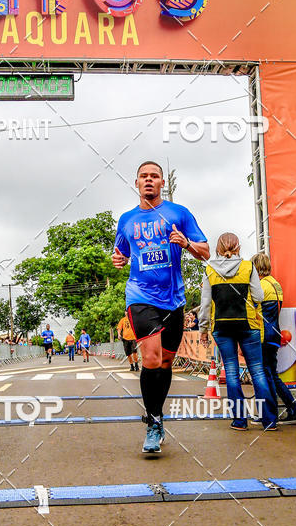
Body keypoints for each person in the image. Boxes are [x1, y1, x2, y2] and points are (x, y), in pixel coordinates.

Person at [113, 160, 209, 454]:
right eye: (144, 176)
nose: (149, 180)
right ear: (137, 183)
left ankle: (157, 414)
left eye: (155, 176)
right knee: (151, 359)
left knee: (166, 362)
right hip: (140, 296)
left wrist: (186, 243)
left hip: (174, 299)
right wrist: (119, 261)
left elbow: (205, 251)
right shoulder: (126, 220)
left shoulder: (179, 213)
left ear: (162, 183)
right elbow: (120, 255)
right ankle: (153, 423)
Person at [199, 233, 277, 431]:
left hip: (222, 327)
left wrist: (203, 330)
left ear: (218, 248)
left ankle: (240, 421)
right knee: (258, 371)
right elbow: (259, 296)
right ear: (238, 247)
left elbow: (205, 304)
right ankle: (269, 420)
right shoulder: (248, 267)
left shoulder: (210, 269)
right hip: (248, 324)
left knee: (232, 373)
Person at [252, 253, 296, 424]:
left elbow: (254, 313)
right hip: (275, 333)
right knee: (272, 375)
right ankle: (294, 410)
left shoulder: (259, 286)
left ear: (256, 266)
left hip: (263, 335)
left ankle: (269, 414)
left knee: (265, 376)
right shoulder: (276, 284)